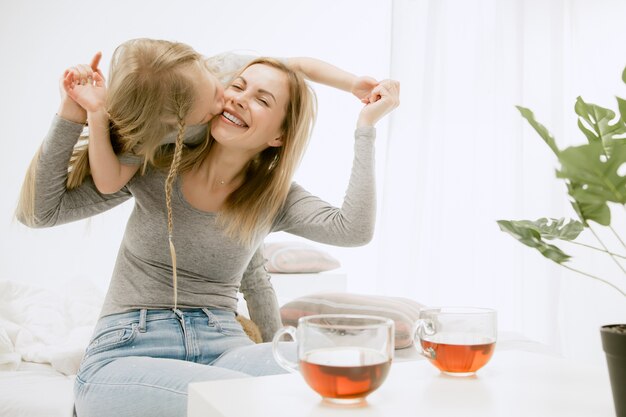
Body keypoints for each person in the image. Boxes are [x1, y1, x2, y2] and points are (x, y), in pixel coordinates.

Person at [16, 48, 400, 417]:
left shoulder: (273, 197)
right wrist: (73, 111)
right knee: (239, 399)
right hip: (127, 348)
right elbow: (41, 212)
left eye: (262, 100)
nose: (238, 99)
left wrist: (365, 128)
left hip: (224, 345)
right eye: (237, 86)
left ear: (279, 137)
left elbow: (354, 230)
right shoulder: (158, 162)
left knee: (328, 368)